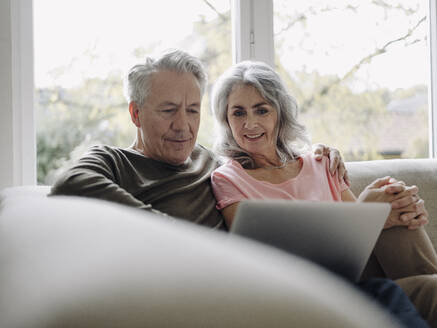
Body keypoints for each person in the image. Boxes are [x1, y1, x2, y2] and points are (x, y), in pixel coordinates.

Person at [50, 49, 429, 327]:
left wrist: (323, 154)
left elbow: (268, 160)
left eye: (193, 110)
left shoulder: (208, 161)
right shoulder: (113, 159)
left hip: (281, 282)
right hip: (209, 294)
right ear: (136, 113)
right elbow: (71, 182)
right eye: (168, 110)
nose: (183, 125)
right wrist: (172, 234)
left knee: (386, 275)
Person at [209, 60, 437, 327]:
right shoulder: (228, 178)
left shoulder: (321, 162)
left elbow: (360, 235)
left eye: (261, 110)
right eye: (238, 113)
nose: (250, 123)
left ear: (279, 114)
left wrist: (387, 208)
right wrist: (368, 210)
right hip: (301, 292)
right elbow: (259, 256)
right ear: (226, 120)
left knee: (391, 196)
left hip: (356, 279)